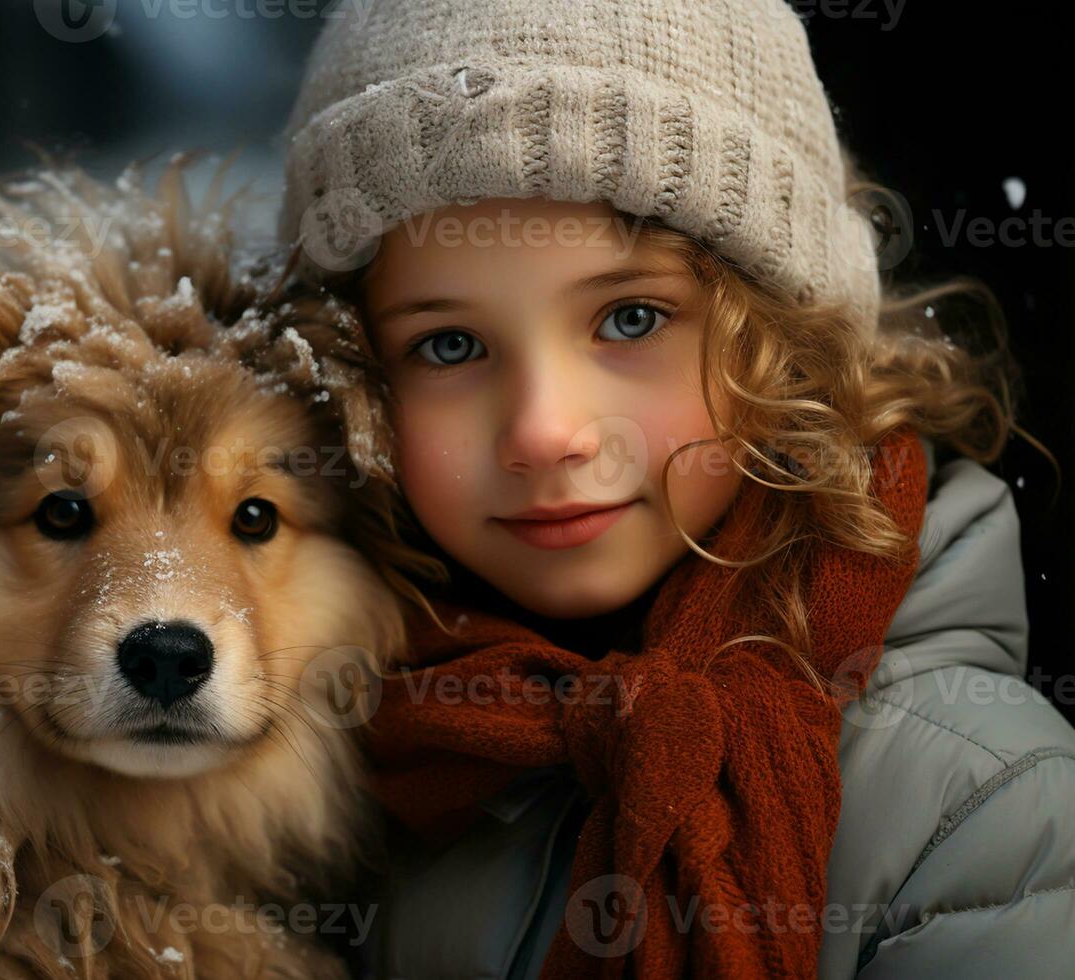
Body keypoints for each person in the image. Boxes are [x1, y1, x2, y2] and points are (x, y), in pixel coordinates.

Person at [274, 0, 1075, 976]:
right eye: (448, 344)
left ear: (783, 338)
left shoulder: (977, 806)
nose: (544, 432)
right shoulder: (310, 771)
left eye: (628, 319)